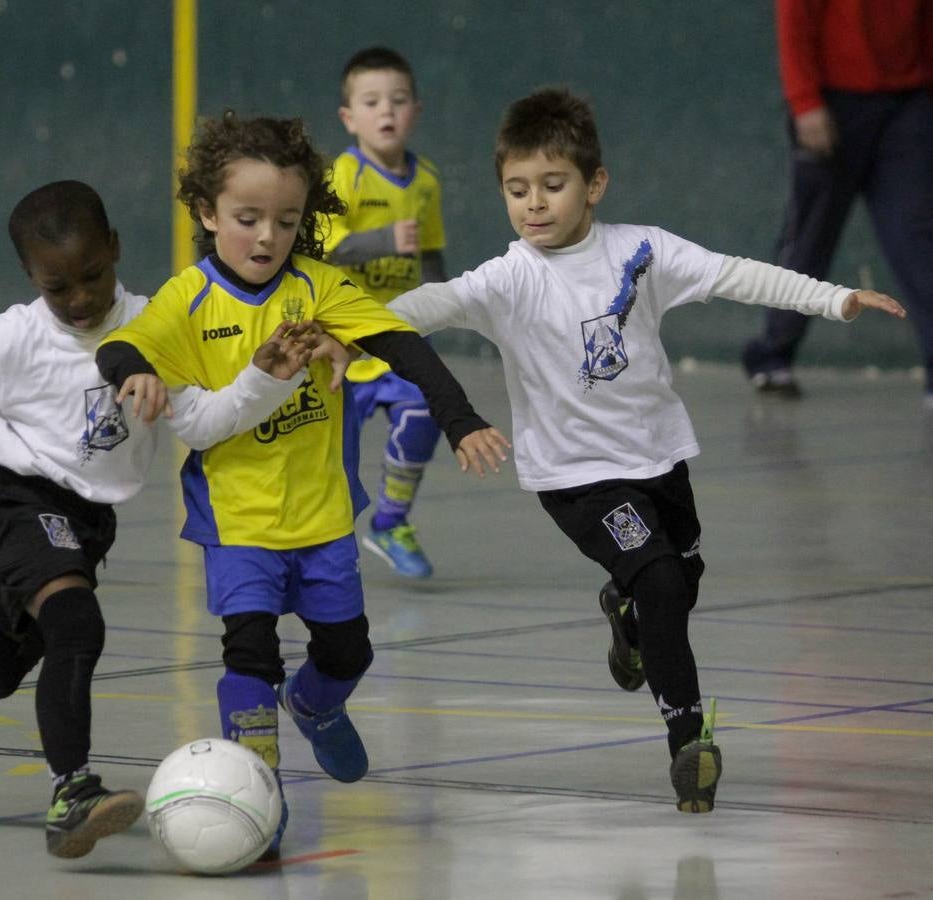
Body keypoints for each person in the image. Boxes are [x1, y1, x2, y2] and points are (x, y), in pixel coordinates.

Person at [386, 88, 905, 812]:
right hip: (578, 481)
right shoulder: (508, 279)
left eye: (553, 185)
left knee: (681, 581)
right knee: (661, 579)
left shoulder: (644, 252)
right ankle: (688, 740)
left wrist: (836, 299)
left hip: (659, 460)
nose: (534, 204)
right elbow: (422, 307)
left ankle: (626, 620)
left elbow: (738, 275)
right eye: (517, 189)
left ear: (594, 184)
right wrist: (340, 328)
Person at [0, 180, 338, 859]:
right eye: (58, 288)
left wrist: (265, 377)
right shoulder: (13, 340)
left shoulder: (157, 324)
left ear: (115, 249)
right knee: (76, 628)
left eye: (92, 277)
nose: (79, 300)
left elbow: (202, 422)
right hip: (18, 501)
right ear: (31, 279)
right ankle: (71, 790)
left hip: (86, 524)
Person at [96, 112, 510, 858]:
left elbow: (405, 347)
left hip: (322, 520)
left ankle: (315, 706)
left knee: (348, 653)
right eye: (247, 218)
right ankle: (261, 799)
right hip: (240, 522)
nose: (266, 237)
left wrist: (461, 418)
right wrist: (133, 375)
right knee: (248, 652)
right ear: (206, 214)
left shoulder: (322, 289)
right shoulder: (187, 300)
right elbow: (124, 343)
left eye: (285, 221)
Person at [741, 0, 932, 404]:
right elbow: (794, 18)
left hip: (908, 105)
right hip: (832, 104)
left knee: (917, 238)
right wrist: (805, 101)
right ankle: (773, 356)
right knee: (811, 236)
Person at [322, 46, 450, 578]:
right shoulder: (343, 177)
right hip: (343, 345)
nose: (387, 112)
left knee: (427, 410)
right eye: (372, 102)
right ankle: (324, 545)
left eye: (398, 101)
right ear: (350, 118)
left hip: (395, 336)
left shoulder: (426, 182)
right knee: (333, 464)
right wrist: (383, 239)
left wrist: (445, 306)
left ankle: (391, 521)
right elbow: (325, 248)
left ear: (415, 112)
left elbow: (433, 257)